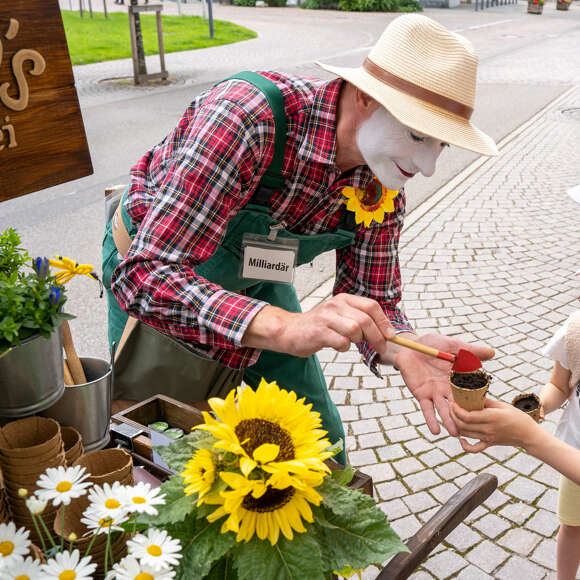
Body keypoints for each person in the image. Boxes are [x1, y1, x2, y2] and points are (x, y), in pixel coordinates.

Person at [103, 14, 497, 465]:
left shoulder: (383, 182)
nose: (426, 167)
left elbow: (372, 299)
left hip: (254, 278)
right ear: (366, 96)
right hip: (161, 268)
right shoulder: (246, 117)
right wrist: (282, 326)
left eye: (442, 146)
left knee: (318, 440)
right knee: (164, 442)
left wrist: (400, 346)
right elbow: (145, 276)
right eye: (417, 136)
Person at [451, 308, 580, 580]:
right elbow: (559, 385)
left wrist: (528, 436)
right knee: (572, 526)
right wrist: (537, 408)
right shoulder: (577, 331)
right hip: (573, 460)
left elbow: (531, 438)